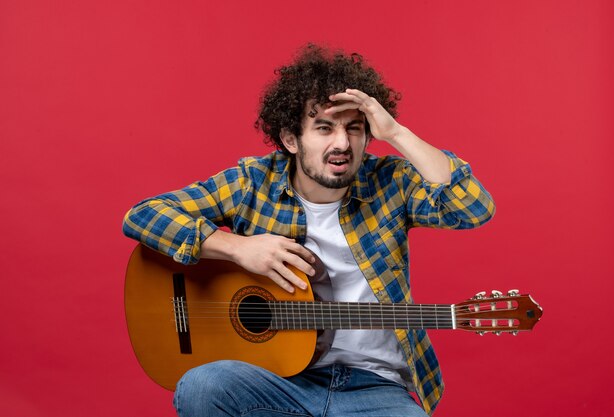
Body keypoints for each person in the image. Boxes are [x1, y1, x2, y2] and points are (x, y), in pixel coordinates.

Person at [123, 44, 495, 417]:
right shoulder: (253, 182)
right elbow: (143, 216)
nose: (342, 143)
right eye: (323, 128)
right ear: (290, 139)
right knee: (203, 385)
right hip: (276, 383)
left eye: (354, 129)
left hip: (375, 387)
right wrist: (236, 248)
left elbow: (474, 207)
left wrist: (396, 132)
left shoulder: (391, 183)